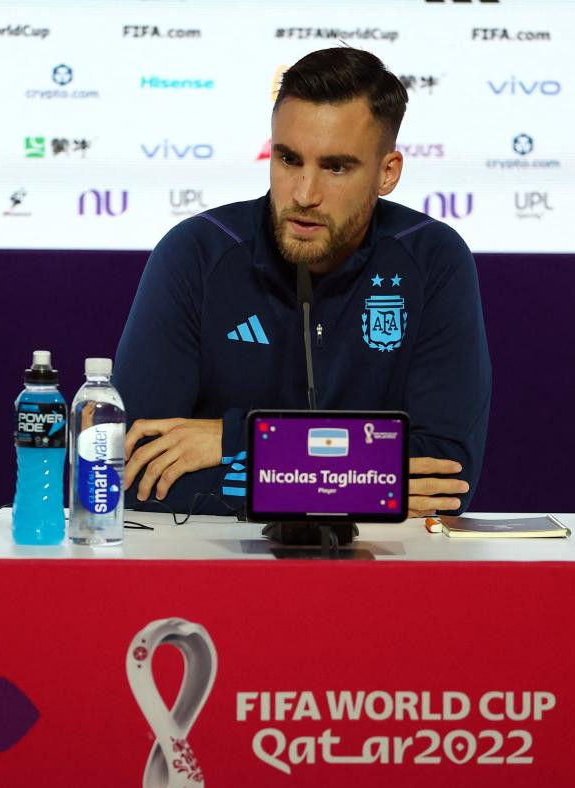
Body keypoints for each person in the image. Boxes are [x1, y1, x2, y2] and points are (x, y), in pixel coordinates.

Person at [114, 47, 491, 517]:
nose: (304, 195)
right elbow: (127, 472)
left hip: (376, 575)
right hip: (217, 572)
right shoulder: (197, 253)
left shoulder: (432, 259)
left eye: (336, 167)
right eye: (289, 159)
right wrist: (364, 481)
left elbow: (445, 479)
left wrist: (236, 441)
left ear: (387, 172)